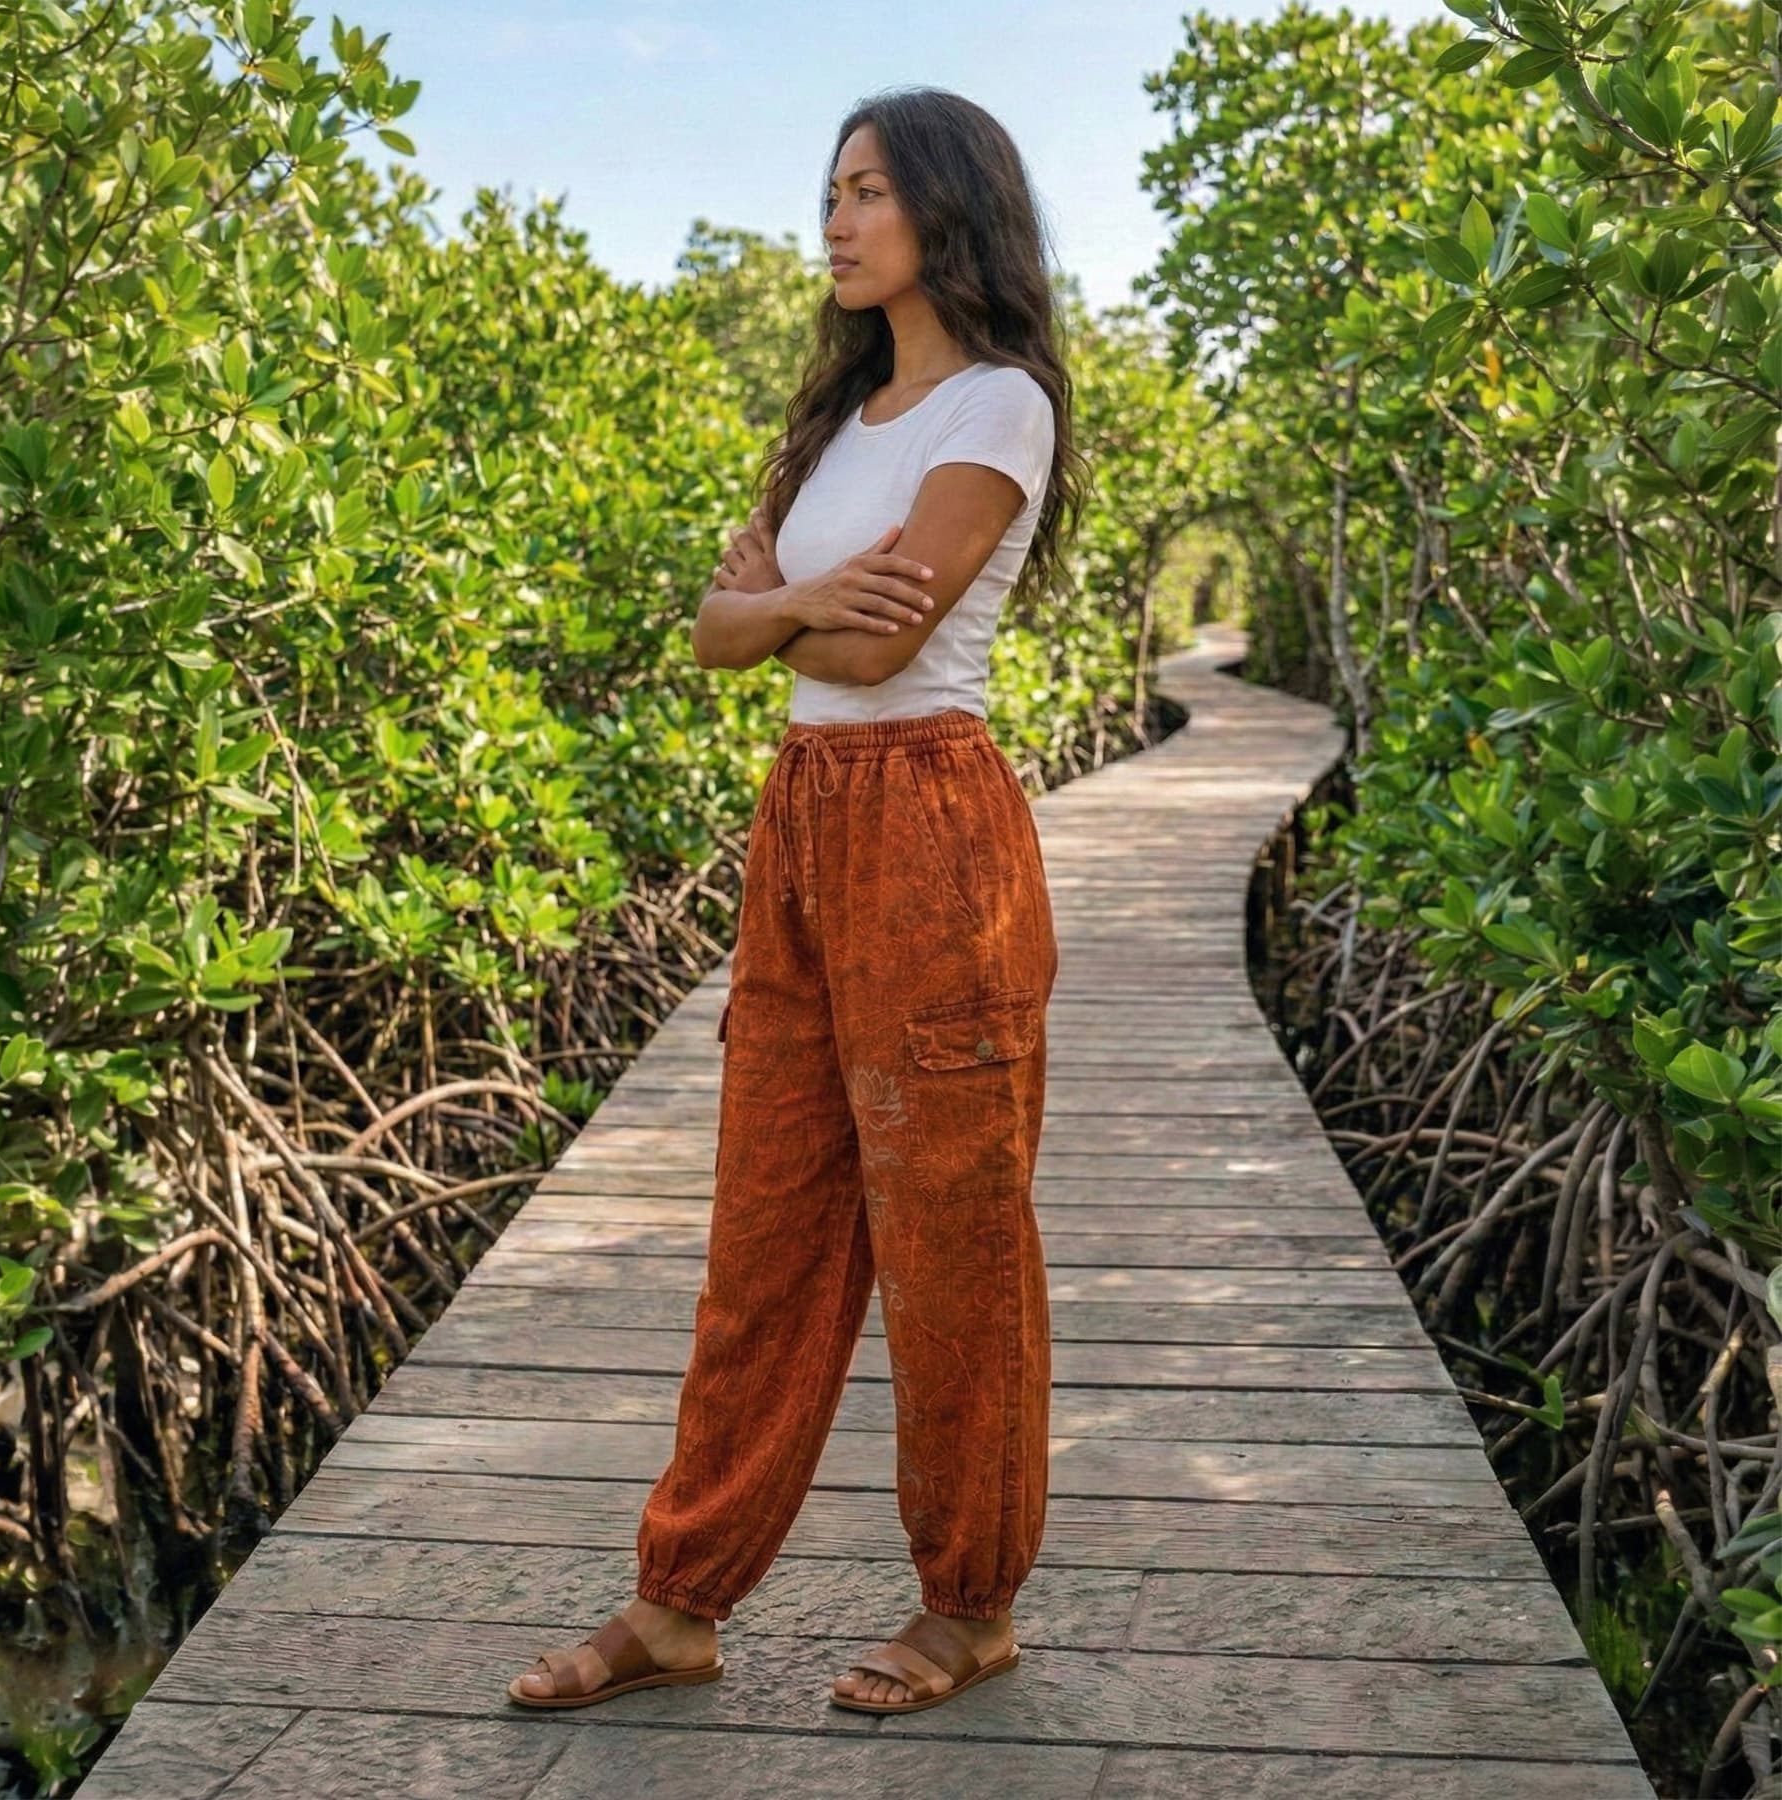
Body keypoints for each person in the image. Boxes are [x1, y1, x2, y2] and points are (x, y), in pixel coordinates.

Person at [509, 84, 1088, 1718]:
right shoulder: (835, 424)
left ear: (950, 207)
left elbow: (881, 649)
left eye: (869, 191)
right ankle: (679, 1601)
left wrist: (788, 606)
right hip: (805, 824)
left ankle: (970, 1607)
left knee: (953, 1238)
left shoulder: (998, 406)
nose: (835, 221)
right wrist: (799, 601)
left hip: (931, 827)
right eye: (830, 191)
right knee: (764, 1225)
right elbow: (716, 633)